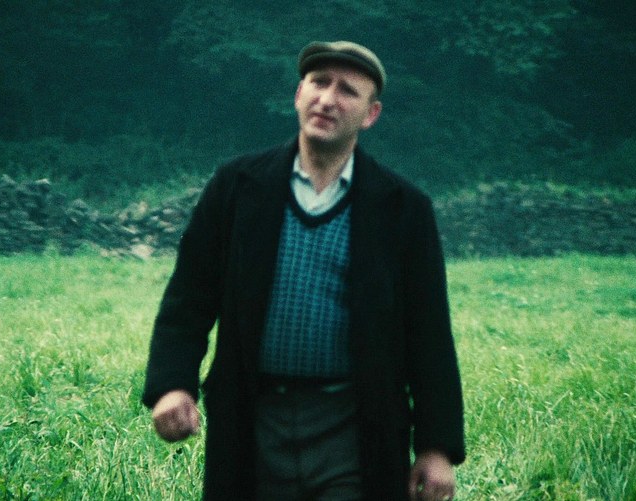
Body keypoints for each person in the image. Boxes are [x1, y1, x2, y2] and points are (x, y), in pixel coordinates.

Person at [142, 41, 465, 500]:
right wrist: (172, 385)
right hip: (253, 417)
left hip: (355, 425)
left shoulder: (401, 208)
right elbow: (189, 298)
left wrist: (436, 447)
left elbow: (428, 332)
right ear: (298, 94)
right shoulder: (238, 186)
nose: (328, 99)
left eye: (347, 90)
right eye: (319, 83)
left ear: (371, 114)